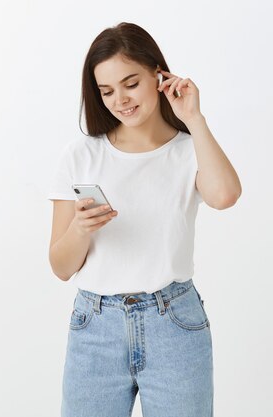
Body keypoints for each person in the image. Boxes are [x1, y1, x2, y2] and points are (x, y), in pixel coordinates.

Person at [47, 22, 241, 417]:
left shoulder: (189, 150)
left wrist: (195, 118)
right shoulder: (80, 155)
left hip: (174, 324)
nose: (120, 100)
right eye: (106, 91)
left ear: (159, 75)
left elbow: (225, 196)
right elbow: (61, 266)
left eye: (130, 83)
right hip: (95, 327)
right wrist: (80, 230)